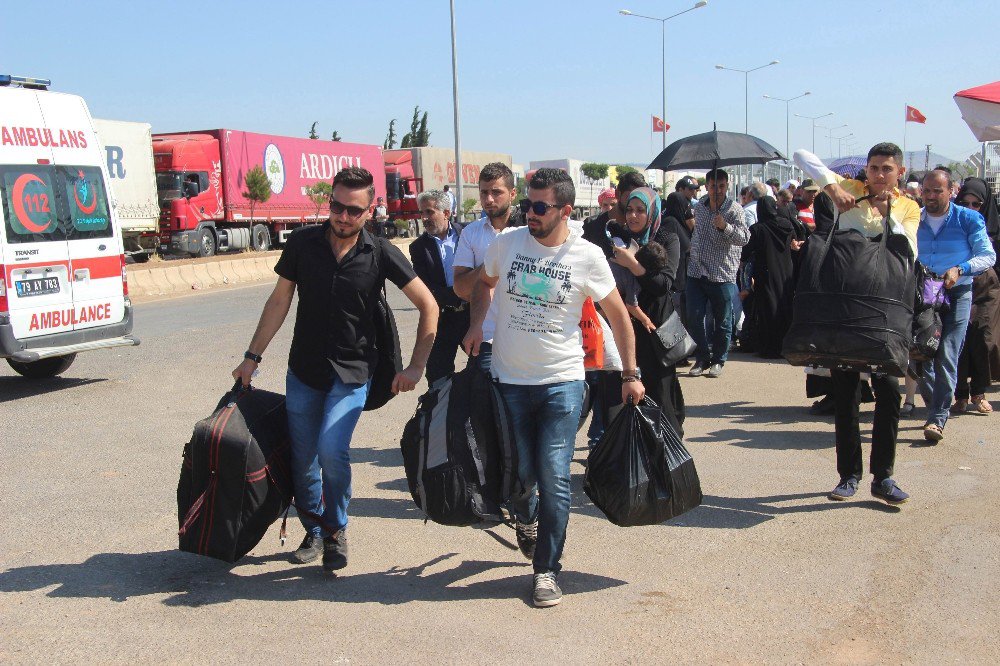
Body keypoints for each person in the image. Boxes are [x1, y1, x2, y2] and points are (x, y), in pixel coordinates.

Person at [231, 167, 438, 572]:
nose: (343, 217)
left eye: (354, 211)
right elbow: (279, 302)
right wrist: (251, 357)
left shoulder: (379, 252)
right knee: (304, 457)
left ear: (370, 210)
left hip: (353, 372)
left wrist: (416, 366)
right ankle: (314, 527)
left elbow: (428, 305)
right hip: (305, 370)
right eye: (337, 207)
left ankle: (336, 529)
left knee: (331, 449)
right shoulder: (303, 244)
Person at [462, 168, 644, 607]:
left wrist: (630, 373)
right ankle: (525, 518)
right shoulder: (505, 245)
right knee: (521, 475)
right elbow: (482, 285)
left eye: (540, 207)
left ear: (565, 210)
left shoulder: (587, 257)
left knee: (554, 473)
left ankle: (546, 569)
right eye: (527, 204)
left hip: (562, 382)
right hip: (510, 381)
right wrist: (474, 326)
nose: (530, 213)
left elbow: (618, 316)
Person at [794, 143, 919, 505]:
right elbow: (801, 155)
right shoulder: (851, 190)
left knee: (889, 393)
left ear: (900, 172)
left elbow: (909, 248)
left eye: (886, 169)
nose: (879, 175)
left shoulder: (909, 206)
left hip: (884, 313)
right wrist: (832, 188)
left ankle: (884, 477)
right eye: (874, 167)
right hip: (845, 309)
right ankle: (848, 475)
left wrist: (887, 213)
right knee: (846, 394)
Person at [914, 170, 996, 442]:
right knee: (921, 355)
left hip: (957, 292)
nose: (931, 196)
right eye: (927, 191)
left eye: (937, 191)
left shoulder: (968, 218)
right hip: (923, 294)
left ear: (951, 191)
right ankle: (935, 404)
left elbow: (987, 256)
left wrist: (960, 269)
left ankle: (937, 418)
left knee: (948, 353)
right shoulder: (915, 218)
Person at [609, 187, 684, 435]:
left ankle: (668, 455)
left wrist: (633, 264)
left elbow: (663, 285)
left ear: (652, 212)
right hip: (625, 327)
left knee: (660, 395)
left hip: (655, 327)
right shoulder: (619, 236)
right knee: (626, 397)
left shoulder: (666, 238)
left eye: (640, 210)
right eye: (629, 210)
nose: (633, 216)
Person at [452, 162, 525, 373]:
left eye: (496, 192)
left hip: (529, 337)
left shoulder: (529, 229)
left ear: (512, 194)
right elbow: (461, 288)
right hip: (487, 338)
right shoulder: (471, 233)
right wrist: (492, 263)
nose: (489, 199)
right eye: (484, 193)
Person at [685, 168, 750, 378]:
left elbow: (744, 239)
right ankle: (702, 357)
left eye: (721, 186)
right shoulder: (701, 207)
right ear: (707, 187)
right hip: (696, 270)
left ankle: (719, 359)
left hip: (721, 273)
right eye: (713, 186)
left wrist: (725, 227)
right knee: (694, 317)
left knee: (723, 320)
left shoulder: (735, 210)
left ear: (727, 186)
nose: (717, 190)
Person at [409, 190, 468, 385]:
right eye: (422, 213)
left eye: (430, 212)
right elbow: (426, 287)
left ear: (446, 213)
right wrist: (460, 294)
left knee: (485, 368)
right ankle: (441, 413)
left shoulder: (467, 235)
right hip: (441, 319)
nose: (424, 218)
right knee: (437, 376)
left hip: (473, 316)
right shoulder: (418, 247)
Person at [953, 178, 1000, 415]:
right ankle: (960, 394)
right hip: (960, 284)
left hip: (988, 289)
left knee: (984, 340)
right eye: (965, 203)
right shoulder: (953, 225)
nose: (971, 208)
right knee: (960, 342)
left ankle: (979, 392)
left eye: (977, 204)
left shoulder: (995, 226)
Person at [741, 196, 796, 359]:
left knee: (767, 309)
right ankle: (785, 345)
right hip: (786, 272)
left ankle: (769, 347)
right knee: (785, 306)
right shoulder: (786, 225)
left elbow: (745, 252)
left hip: (766, 273)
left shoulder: (758, 229)